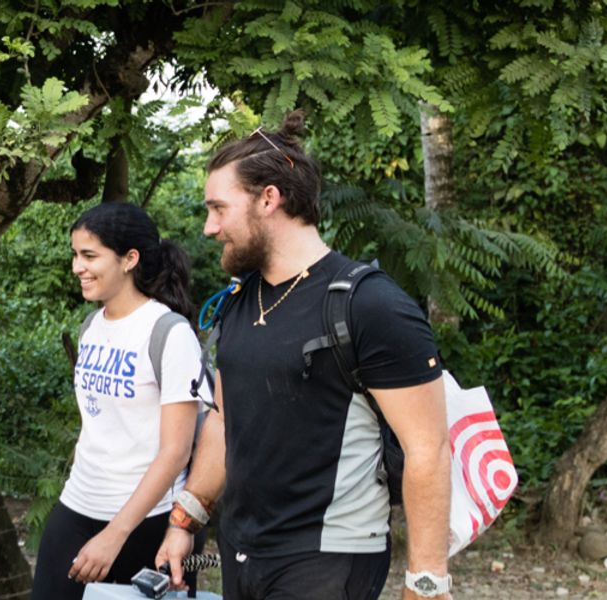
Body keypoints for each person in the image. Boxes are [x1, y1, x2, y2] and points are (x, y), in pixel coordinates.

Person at [155, 111, 454, 600]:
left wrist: (426, 581)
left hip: (329, 556)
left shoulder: (368, 304)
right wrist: (187, 514)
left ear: (268, 199)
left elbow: (428, 449)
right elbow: (226, 419)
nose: (209, 228)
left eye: (218, 208)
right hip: (243, 549)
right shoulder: (238, 300)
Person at [30, 202, 205, 599]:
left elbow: (175, 452)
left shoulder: (169, 333)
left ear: (130, 259)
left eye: (89, 255)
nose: (77, 266)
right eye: (75, 255)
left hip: (148, 519)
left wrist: (116, 533)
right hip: (77, 504)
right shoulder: (92, 325)